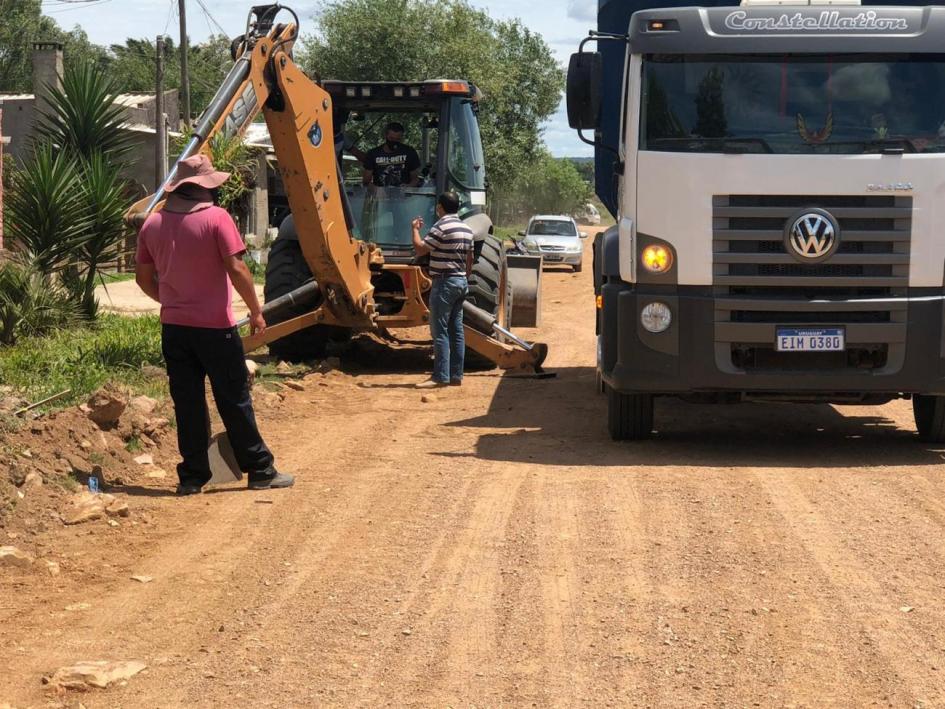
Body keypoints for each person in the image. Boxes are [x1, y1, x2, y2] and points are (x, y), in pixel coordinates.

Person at [135, 154, 294, 495]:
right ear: (204, 187)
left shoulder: (152, 224)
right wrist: (255, 311)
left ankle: (192, 477)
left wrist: (170, 302)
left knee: (187, 402)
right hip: (215, 329)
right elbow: (237, 270)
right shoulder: (217, 219)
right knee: (233, 398)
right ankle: (260, 469)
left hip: (175, 328)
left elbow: (143, 278)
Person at [411, 191, 474, 389]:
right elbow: (470, 259)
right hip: (461, 282)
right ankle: (456, 375)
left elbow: (421, 249)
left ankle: (440, 376)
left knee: (439, 330)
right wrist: (464, 276)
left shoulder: (442, 226)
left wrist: (414, 229)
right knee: (456, 330)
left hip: (444, 283)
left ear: (440, 207)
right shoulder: (466, 228)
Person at [362, 122, 421, 188]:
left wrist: (408, 186)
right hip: (380, 196)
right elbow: (366, 182)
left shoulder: (409, 152)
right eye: (391, 138)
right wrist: (376, 190)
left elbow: (415, 179)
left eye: (398, 139)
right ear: (385, 136)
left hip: (403, 195)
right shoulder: (373, 154)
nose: (394, 141)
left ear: (401, 137)